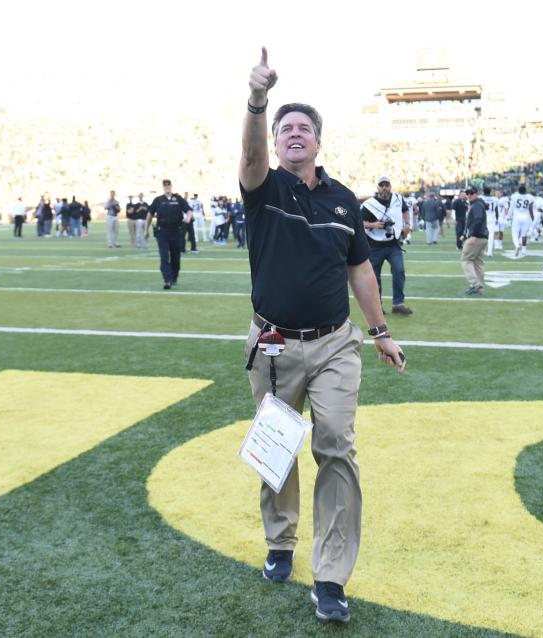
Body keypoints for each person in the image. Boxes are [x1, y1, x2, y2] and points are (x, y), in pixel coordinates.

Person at [240, 47, 405, 624]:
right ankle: (280, 539)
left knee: (336, 442)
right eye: (285, 128)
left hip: (336, 341)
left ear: (318, 142)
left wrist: (380, 331)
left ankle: (331, 575)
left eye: (303, 128)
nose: (293, 134)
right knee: (277, 448)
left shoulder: (343, 201)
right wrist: (259, 100)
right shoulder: (263, 189)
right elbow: (251, 152)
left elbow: (360, 267)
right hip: (275, 344)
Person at [362, 176, 413, 316]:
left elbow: (405, 210)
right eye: (381, 185)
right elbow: (358, 222)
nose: (384, 187)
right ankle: (377, 305)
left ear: (390, 186)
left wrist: (407, 224)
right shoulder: (369, 204)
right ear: (377, 187)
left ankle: (398, 303)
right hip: (374, 245)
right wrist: (373, 225)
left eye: (386, 185)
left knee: (399, 271)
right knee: (374, 277)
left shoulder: (398, 198)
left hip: (394, 243)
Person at [146, 179, 190, 289]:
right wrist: (146, 229)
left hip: (176, 231)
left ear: (171, 186)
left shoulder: (178, 199)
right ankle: (167, 280)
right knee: (164, 256)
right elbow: (150, 214)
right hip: (163, 232)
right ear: (163, 187)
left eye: (168, 185)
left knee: (176, 257)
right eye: (165, 186)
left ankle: (174, 277)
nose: (167, 187)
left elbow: (188, 210)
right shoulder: (158, 200)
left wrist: (188, 217)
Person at [459, 185, 488, 294]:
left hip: (477, 236)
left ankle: (476, 284)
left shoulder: (476, 205)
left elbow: (478, 220)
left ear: (476, 193)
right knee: (478, 262)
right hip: (483, 237)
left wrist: (473, 235)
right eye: (467, 193)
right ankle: (479, 286)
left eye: (471, 193)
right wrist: (466, 235)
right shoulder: (478, 204)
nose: (469, 195)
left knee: (466, 260)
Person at [508, 185, 536, 258]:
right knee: (524, 235)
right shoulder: (530, 197)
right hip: (526, 217)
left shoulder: (514, 196)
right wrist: (533, 218)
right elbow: (531, 207)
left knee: (515, 233)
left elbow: (511, 206)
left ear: (518, 190)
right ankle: (524, 250)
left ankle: (517, 245)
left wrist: (508, 216)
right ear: (525, 190)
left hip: (517, 217)